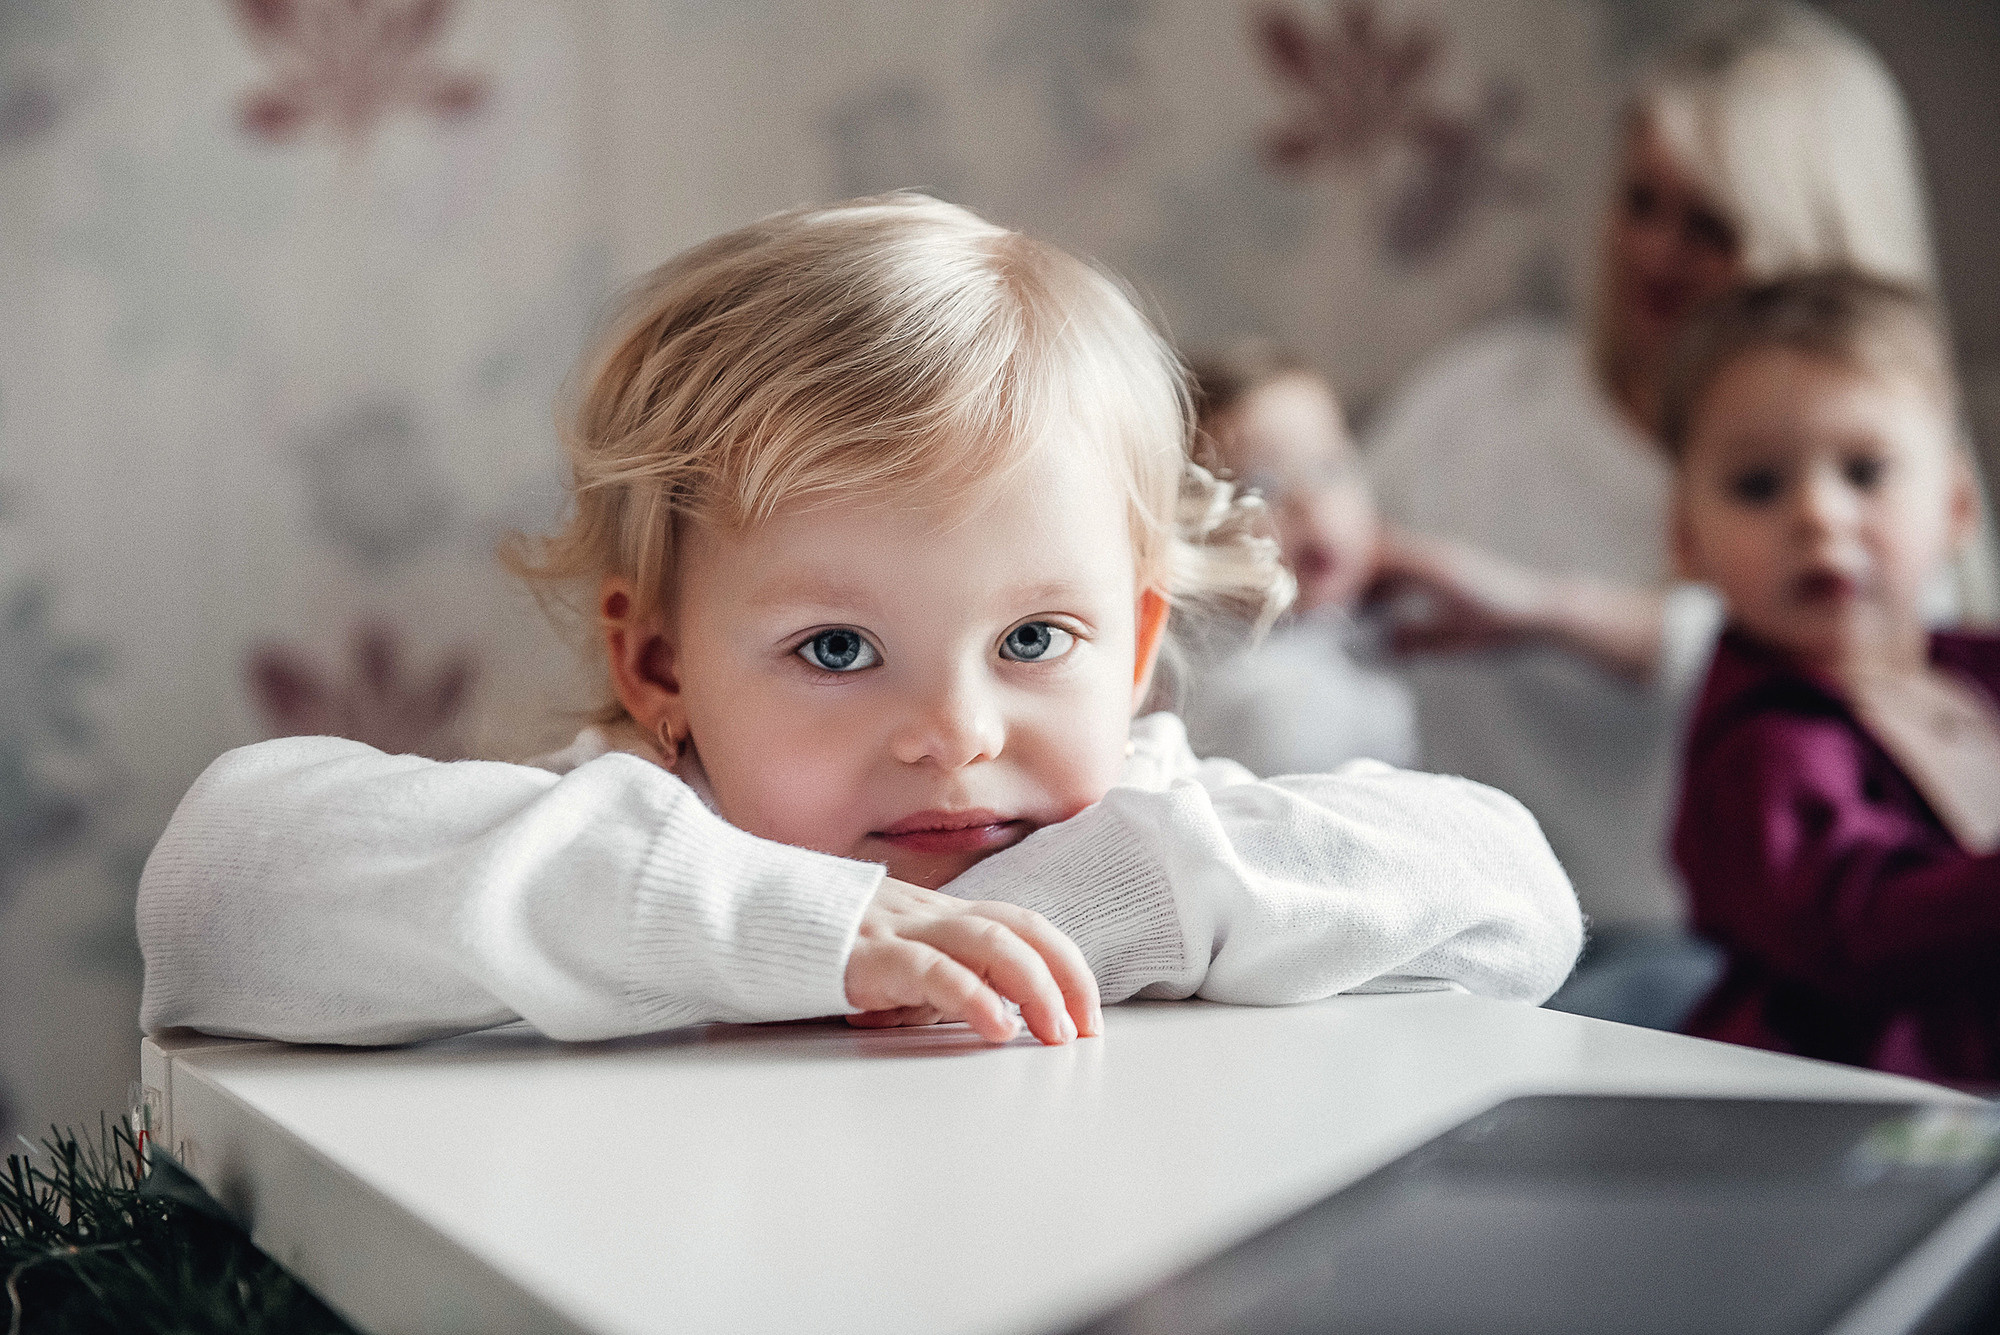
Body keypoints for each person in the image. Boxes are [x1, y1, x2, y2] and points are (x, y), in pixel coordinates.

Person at [136, 194, 1582, 1049]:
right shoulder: (647, 833)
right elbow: (217, 890)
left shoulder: (1144, 814)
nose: (955, 734)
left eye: (1033, 641)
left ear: (1137, 648)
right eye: (837, 648)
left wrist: (1092, 906)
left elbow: (1514, 891)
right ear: (659, 665)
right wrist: (791, 928)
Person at [1363, 5, 1982, 1029]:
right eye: (1641, 203)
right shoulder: (1478, 403)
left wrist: (1552, 612)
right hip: (1519, 950)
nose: (1656, 252)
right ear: (1683, 535)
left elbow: (1848, 669)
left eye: (1710, 226)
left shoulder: (1906, 578)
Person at [1667, 271, 2000, 1082]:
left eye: (1865, 471)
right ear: (1687, 539)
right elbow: (1857, 926)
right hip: (1850, 1107)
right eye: (1759, 485)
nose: (1817, 513)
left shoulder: (1977, 669)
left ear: (1957, 504)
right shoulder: (1766, 743)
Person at [1174, 342, 1417, 776]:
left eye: (1329, 469)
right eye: (1261, 489)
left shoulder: (1368, 619)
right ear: (1189, 533)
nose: (1310, 505)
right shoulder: (1267, 705)